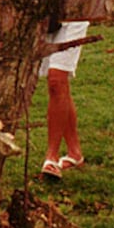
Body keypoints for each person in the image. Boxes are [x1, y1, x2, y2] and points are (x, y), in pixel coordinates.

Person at [40, 19, 89, 180]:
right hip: (47, 17)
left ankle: (51, 157)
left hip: (75, 16)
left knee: (56, 79)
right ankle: (75, 153)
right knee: (59, 86)